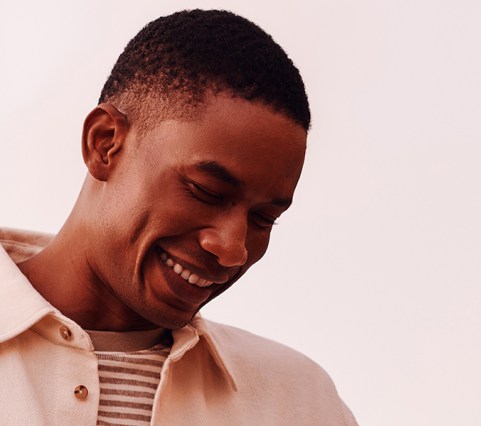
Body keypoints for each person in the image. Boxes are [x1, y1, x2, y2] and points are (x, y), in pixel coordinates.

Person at [0, 10, 358, 425]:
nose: (231, 249)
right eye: (206, 191)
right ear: (105, 145)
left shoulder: (300, 402)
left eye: (263, 219)